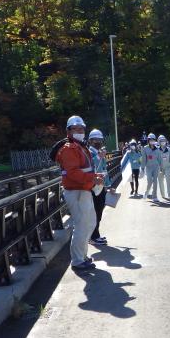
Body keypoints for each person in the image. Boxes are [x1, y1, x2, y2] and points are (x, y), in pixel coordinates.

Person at [52, 115, 104, 271]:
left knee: (90, 223)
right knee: (82, 225)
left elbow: (84, 169)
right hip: (76, 191)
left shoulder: (80, 146)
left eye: (81, 129)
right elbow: (73, 173)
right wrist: (93, 178)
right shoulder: (69, 149)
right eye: (75, 129)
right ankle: (77, 260)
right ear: (68, 131)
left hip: (84, 189)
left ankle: (82, 255)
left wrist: (94, 177)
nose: (79, 131)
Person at [88, 129, 112, 246]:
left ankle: (96, 234)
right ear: (90, 141)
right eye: (95, 140)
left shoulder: (100, 152)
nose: (98, 142)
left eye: (100, 140)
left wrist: (109, 184)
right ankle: (93, 236)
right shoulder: (89, 153)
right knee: (95, 211)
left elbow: (104, 170)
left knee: (99, 210)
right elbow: (92, 167)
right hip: (93, 186)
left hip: (101, 185)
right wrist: (98, 156)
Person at [157, 135, 170, 199]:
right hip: (160, 168)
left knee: (168, 181)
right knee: (160, 181)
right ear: (159, 142)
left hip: (167, 167)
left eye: (164, 141)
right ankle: (163, 195)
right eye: (161, 141)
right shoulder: (157, 150)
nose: (163, 142)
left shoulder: (169, 150)